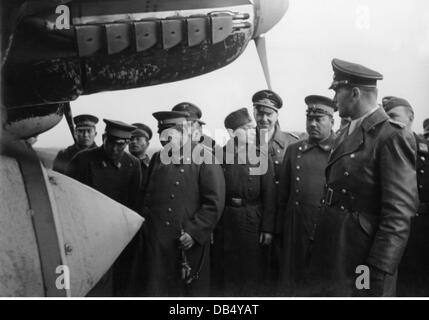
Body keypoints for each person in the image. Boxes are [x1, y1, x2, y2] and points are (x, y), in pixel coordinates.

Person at [308, 58, 418, 297]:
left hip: (362, 258)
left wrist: (378, 270)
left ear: (355, 93)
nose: (335, 100)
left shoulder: (390, 135)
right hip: (338, 247)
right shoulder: (349, 130)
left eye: (338, 91)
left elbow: (399, 213)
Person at [139, 110, 225, 297]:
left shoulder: (205, 157)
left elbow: (214, 203)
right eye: (161, 135)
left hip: (186, 242)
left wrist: (194, 232)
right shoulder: (157, 158)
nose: (164, 141)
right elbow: (148, 197)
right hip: (157, 243)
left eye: (169, 136)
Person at [67, 119, 141, 296]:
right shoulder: (82, 159)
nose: (115, 149)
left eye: (121, 145)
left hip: (119, 232)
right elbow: (69, 196)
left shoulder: (133, 164)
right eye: (111, 143)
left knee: (120, 281)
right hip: (88, 232)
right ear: (103, 137)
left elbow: (134, 202)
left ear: (127, 143)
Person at [277, 95, 336, 296]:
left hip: (326, 228)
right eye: (309, 119)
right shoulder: (294, 150)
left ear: (332, 121)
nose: (312, 124)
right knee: (292, 284)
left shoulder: (341, 151)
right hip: (294, 228)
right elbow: (282, 195)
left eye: (319, 119)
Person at [216, 108, 275, 296]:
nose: (252, 131)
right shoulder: (220, 156)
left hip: (252, 219)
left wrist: (267, 228)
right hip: (226, 220)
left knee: (251, 271)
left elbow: (270, 195)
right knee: (228, 270)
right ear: (232, 132)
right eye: (246, 128)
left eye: (252, 128)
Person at [252, 89, 300, 290]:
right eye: (259, 113)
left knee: (277, 275)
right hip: (251, 219)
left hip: (281, 222)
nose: (263, 119)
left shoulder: (291, 144)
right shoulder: (243, 142)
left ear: (277, 115)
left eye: (268, 114)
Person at [382, 96, 429, 296]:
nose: (389, 123)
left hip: (420, 231)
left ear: (410, 118)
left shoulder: (424, 151)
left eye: (394, 116)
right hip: (386, 231)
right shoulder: (381, 147)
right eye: (385, 118)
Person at [129, 122, 153, 187]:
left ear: (147, 144)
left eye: (138, 139)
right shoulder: (122, 163)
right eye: (131, 139)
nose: (134, 142)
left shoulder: (152, 167)